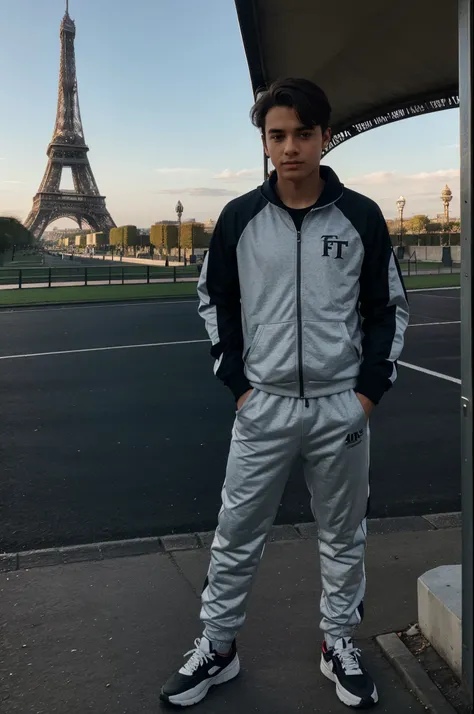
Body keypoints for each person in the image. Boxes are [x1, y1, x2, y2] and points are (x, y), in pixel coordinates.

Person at [160, 78, 409, 709]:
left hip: (340, 406)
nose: (290, 146)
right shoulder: (240, 218)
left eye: (303, 133)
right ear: (265, 142)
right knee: (236, 531)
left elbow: (388, 309)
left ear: (325, 137)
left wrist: (369, 391)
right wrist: (239, 384)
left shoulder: (362, 218)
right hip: (263, 404)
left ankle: (337, 643)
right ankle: (217, 646)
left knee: (343, 534)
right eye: (277, 135)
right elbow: (215, 300)